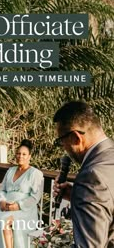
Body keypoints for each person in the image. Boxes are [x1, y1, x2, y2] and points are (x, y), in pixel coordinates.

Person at [53, 100, 114, 247]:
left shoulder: (90, 178)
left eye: (61, 141)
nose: (63, 148)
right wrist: (76, 194)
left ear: (76, 138)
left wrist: (84, 191)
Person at [0, 139, 44, 248]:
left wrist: (18, 205)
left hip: (25, 210)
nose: (20, 156)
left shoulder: (35, 173)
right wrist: (1, 201)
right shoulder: (11, 171)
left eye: (24, 154)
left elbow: (35, 197)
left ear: (29, 156)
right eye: (18, 153)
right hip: (6, 206)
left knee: (5, 223)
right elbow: (2, 189)